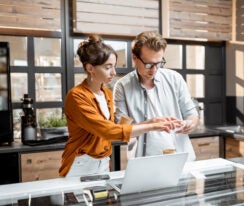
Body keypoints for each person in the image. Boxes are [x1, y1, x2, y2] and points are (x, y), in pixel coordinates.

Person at [59, 34, 182, 177]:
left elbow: (118, 128)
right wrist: (152, 126)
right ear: (90, 68)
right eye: (107, 67)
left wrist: (152, 121)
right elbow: (108, 131)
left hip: (103, 163)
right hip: (80, 164)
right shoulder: (77, 96)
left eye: (114, 66)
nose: (114, 72)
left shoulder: (106, 94)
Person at [113, 31, 200, 161]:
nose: (154, 69)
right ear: (135, 58)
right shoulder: (122, 87)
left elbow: (192, 114)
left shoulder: (175, 79)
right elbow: (122, 130)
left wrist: (190, 123)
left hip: (180, 158)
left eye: (159, 63)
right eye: (148, 64)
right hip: (143, 162)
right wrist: (150, 124)